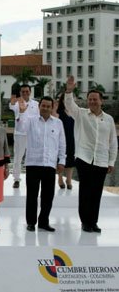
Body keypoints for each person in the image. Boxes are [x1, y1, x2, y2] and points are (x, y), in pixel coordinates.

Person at [64, 76, 117, 233]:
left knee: (96, 193)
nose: (92, 102)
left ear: (102, 101)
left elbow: (113, 142)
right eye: (90, 99)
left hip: (101, 161)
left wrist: (111, 162)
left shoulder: (109, 120)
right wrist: (69, 90)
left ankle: (93, 222)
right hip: (84, 158)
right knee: (85, 192)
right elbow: (69, 104)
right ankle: (85, 222)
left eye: (95, 99)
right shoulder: (80, 114)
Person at [17, 96, 66, 232]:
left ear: (52, 108)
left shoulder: (58, 123)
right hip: (33, 163)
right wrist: (21, 112)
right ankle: (31, 222)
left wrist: (62, 161)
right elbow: (21, 127)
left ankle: (44, 221)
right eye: (43, 106)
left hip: (50, 164)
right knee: (32, 195)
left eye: (48, 106)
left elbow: (62, 144)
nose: (45, 108)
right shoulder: (31, 121)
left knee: (48, 196)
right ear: (39, 107)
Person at [9, 84, 39, 189]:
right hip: (20, 134)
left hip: (32, 134)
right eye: (23, 91)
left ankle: (33, 178)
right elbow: (11, 105)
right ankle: (16, 179)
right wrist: (13, 101)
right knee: (18, 157)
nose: (25, 93)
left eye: (27, 91)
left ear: (30, 92)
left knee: (33, 157)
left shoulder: (36, 104)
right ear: (20, 93)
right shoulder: (16, 103)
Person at [55, 94, 75, 190]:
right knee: (60, 158)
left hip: (72, 138)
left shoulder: (75, 112)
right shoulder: (58, 111)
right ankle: (60, 178)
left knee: (71, 158)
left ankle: (69, 180)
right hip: (60, 138)